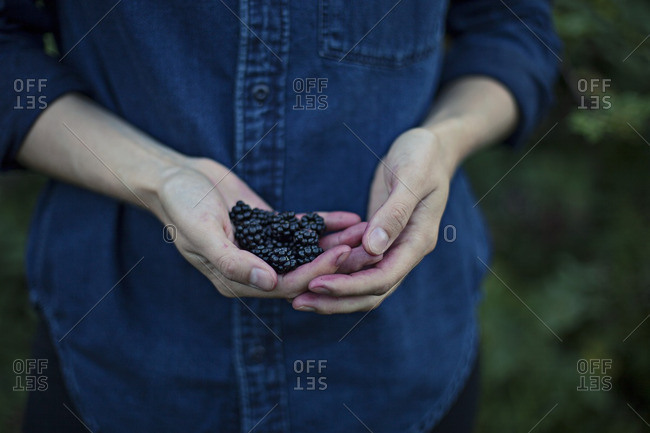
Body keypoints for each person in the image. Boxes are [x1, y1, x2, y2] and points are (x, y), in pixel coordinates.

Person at [1, 1, 560, 432]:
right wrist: (159, 179)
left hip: (399, 362)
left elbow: (513, 30)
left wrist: (444, 140)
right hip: (121, 354)